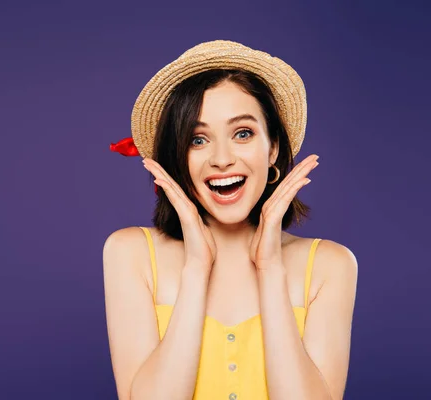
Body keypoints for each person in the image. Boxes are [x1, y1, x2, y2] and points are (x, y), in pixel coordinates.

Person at [103, 40, 357, 400]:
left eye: (242, 133)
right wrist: (196, 268)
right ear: (178, 157)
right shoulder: (130, 253)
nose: (222, 159)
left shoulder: (331, 265)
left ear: (273, 148)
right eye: (198, 139)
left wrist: (270, 269)